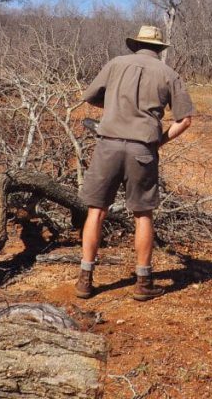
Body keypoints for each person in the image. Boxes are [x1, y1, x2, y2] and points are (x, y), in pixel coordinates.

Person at [74, 25, 194, 302]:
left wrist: (116, 106)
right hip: (143, 149)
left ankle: (85, 279)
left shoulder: (116, 64)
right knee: (143, 214)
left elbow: (90, 96)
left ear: (135, 44)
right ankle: (143, 281)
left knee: (96, 212)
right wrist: (159, 141)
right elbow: (185, 119)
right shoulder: (168, 74)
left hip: (108, 145)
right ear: (160, 49)